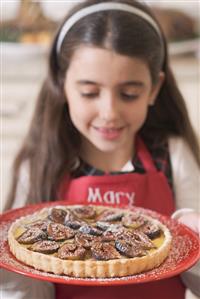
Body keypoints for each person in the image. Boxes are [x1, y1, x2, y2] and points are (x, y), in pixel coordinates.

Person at [2, 1, 200, 299]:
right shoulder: (43, 165)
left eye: (129, 94)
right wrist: (7, 274)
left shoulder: (172, 155)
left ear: (154, 89)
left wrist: (195, 235)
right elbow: (28, 290)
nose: (109, 112)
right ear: (61, 84)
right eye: (89, 92)